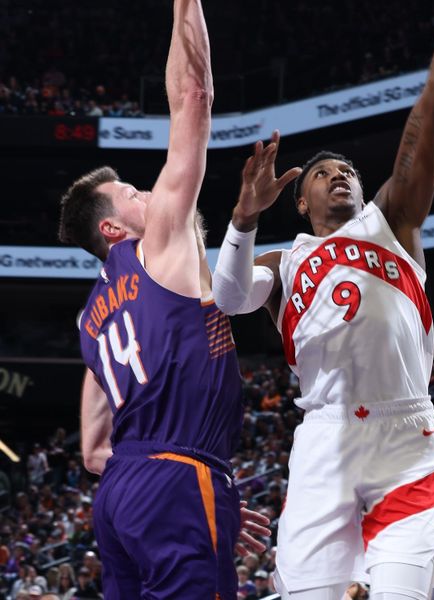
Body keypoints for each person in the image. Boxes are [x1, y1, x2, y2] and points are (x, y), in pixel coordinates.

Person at [211, 1, 434, 598]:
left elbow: (433, 102)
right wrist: (243, 218)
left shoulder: (394, 221)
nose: (339, 175)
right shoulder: (283, 261)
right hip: (324, 440)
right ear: (300, 202)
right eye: (322, 173)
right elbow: (227, 299)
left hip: (407, 433)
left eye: (348, 171)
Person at [57, 1, 269, 598]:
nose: (148, 192)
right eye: (131, 193)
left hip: (120, 496)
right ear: (112, 231)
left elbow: (95, 449)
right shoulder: (161, 248)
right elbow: (194, 97)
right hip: (177, 477)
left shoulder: (91, 321)